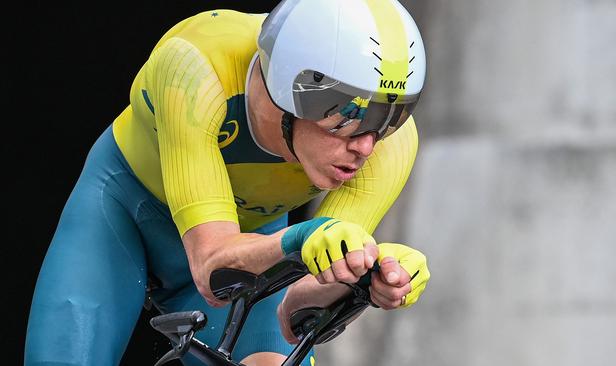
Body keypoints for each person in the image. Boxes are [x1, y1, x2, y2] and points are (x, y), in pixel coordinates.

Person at [24, 0, 431, 365]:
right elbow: (212, 266)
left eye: (388, 118)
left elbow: (295, 310)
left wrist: (363, 276)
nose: (365, 145)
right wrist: (303, 239)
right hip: (123, 211)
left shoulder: (391, 147)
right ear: (293, 87)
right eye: (350, 115)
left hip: (251, 242)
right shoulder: (196, 67)